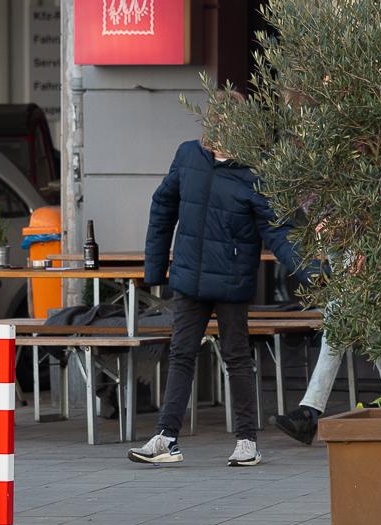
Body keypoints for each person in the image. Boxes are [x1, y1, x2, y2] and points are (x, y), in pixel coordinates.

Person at [128, 122, 315, 468]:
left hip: (231, 279)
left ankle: (247, 442)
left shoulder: (255, 173)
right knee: (181, 353)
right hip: (189, 278)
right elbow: (162, 207)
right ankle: (166, 438)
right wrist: (154, 270)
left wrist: (312, 272)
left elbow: (278, 231)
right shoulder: (188, 156)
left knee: (236, 357)